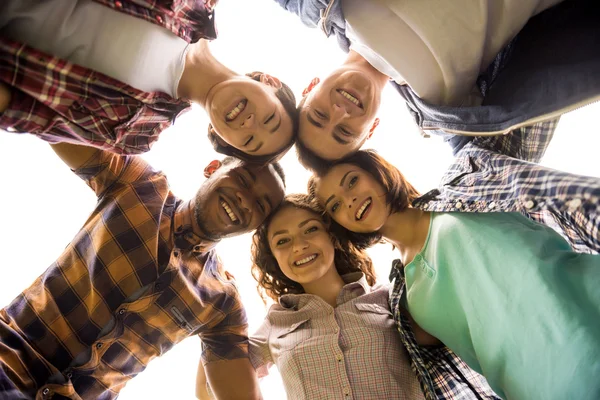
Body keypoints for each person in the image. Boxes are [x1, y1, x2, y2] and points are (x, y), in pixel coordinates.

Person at [0, 139, 286, 399]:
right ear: (212, 168)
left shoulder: (222, 303)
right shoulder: (138, 184)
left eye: (260, 205)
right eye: (243, 180)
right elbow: (56, 124)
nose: (245, 200)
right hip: (10, 357)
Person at [310, 148, 600, 399]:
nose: (348, 200)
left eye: (352, 181)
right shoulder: (405, 303)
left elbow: (515, 108)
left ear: (376, 170)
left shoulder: (467, 183)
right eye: (335, 205)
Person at [195, 194, 497, 399]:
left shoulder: (391, 300)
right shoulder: (275, 324)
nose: (299, 246)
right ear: (274, 259)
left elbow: (460, 342)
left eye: (309, 230)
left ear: (331, 237)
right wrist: (219, 306)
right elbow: (209, 389)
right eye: (283, 241)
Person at [275, 0, 600, 168]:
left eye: (319, 115)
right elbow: (488, 170)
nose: (339, 113)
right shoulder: (444, 104)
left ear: (310, 86)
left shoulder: (331, 9)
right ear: (371, 129)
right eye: (345, 132)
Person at [0, 0, 299, 163]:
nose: (249, 124)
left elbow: (23, 113)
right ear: (269, 81)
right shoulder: (198, 6)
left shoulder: (136, 134)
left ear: (220, 138)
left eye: (249, 141)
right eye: (269, 118)